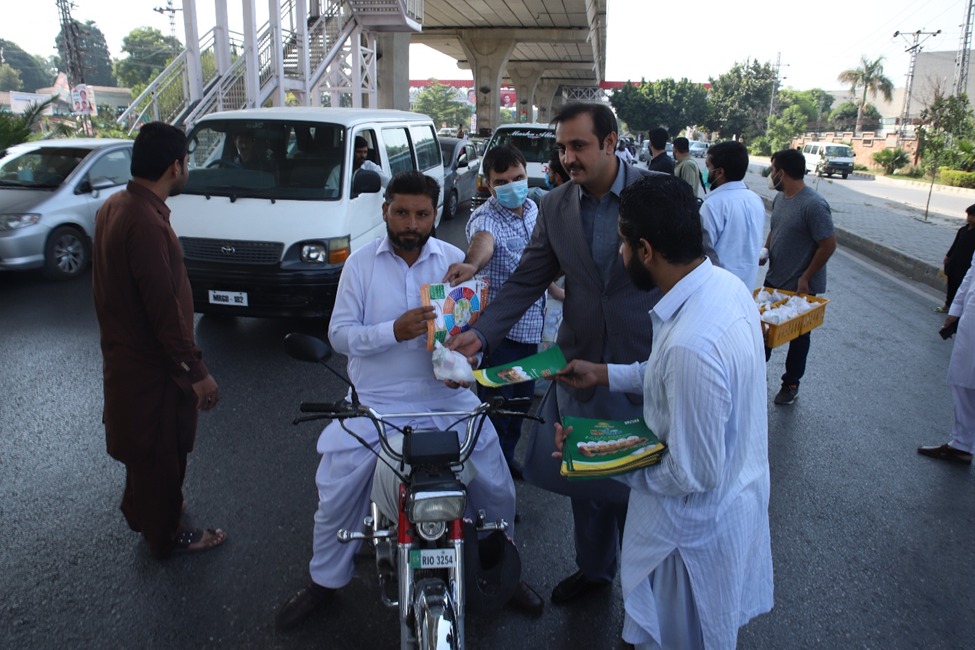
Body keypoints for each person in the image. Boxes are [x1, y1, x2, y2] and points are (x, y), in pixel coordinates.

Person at [275, 171, 543, 631]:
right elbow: (339, 335)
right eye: (402, 212)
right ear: (385, 211)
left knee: (497, 486)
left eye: (421, 214)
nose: (412, 224)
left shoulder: (454, 262)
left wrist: (465, 365)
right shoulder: (360, 265)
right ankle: (324, 581)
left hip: (446, 402)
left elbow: (472, 333)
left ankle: (500, 569)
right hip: (375, 405)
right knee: (336, 490)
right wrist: (392, 331)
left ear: (435, 214)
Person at [449, 102, 674, 605]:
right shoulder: (554, 206)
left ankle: (646, 603)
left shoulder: (657, 193)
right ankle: (594, 571)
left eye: (579, 146)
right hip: (580, 367)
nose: (567, 158)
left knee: (646, 491)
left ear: (611, 143)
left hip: (645, 364)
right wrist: (481, 335)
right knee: (589, 478)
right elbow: (527, 280)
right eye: (562, 148)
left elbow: (694, 268)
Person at [552, 173, 773, 649]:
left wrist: (593, 453)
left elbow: (690, 473)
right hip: (722, 507)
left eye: (622, 244)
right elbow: (667, 375)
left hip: (686, 543)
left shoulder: (693, 345)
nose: (620, 253)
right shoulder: (723, 287)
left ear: (646, 250)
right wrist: (605, 374)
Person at [91, 122, 225, 559]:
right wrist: (196, 371)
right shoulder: (145, 222)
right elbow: (163, 308)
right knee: (162, 450)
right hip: (154, 368)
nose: (187, 169)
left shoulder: (115, 205)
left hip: (127, 360)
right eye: (187, 162)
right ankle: (166, 536)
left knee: (145, 449)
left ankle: (142, 510)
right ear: (175, 167)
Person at [442, 144, 551, 478]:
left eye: (518, 178)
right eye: (502, 182)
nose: (512, 186)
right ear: (489, 185)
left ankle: (506, 461)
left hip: (531, 332)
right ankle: (491, 478)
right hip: (500, 337)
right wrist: (472, 265)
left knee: (519, 406)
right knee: (497, 411)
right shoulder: (486, 218)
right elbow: (483, 242)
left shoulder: (533, 208)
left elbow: (539, 263)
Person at [761, 148, 837, 406]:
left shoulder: (814, 205)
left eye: (772, 170)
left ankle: (791, 383)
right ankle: (755, 375)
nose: (771, 175)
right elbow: (776, 228)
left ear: (781, 173)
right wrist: (766, 250)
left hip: (800, 286)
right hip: (775, 278)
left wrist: (806, 276)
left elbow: (828, 245)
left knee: (799, 337)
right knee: (763, 329)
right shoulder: (780, 198)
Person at [919, 258, 975, 464]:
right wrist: (956, 309)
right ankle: (961, 444)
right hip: (971, 317)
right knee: (963, 380)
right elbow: (972, 272)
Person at [699, 140, 766, 290]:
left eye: (708, 166)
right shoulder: (755, 200)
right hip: (746, 288)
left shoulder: (713, 205)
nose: (706, 171)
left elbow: (702, 255)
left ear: (720, 172)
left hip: (718, 289)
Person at [937, 204, 975, 313]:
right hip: (955, 261)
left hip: (966, 265)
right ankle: (947, 305)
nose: (970, 218)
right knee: (951, 284)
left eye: (973, 216)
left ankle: (957, 310)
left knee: (961, 288)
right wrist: (948, 256)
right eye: (969, 215)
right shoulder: (963, 229)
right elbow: (955, 244)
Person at [326, 135, 390, 190]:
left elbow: (387, 182)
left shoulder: (370, 167)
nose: (362, 155)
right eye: (359, 152)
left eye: (365, 152)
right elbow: (330, 192)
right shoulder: (338, 171)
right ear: (351, 152)